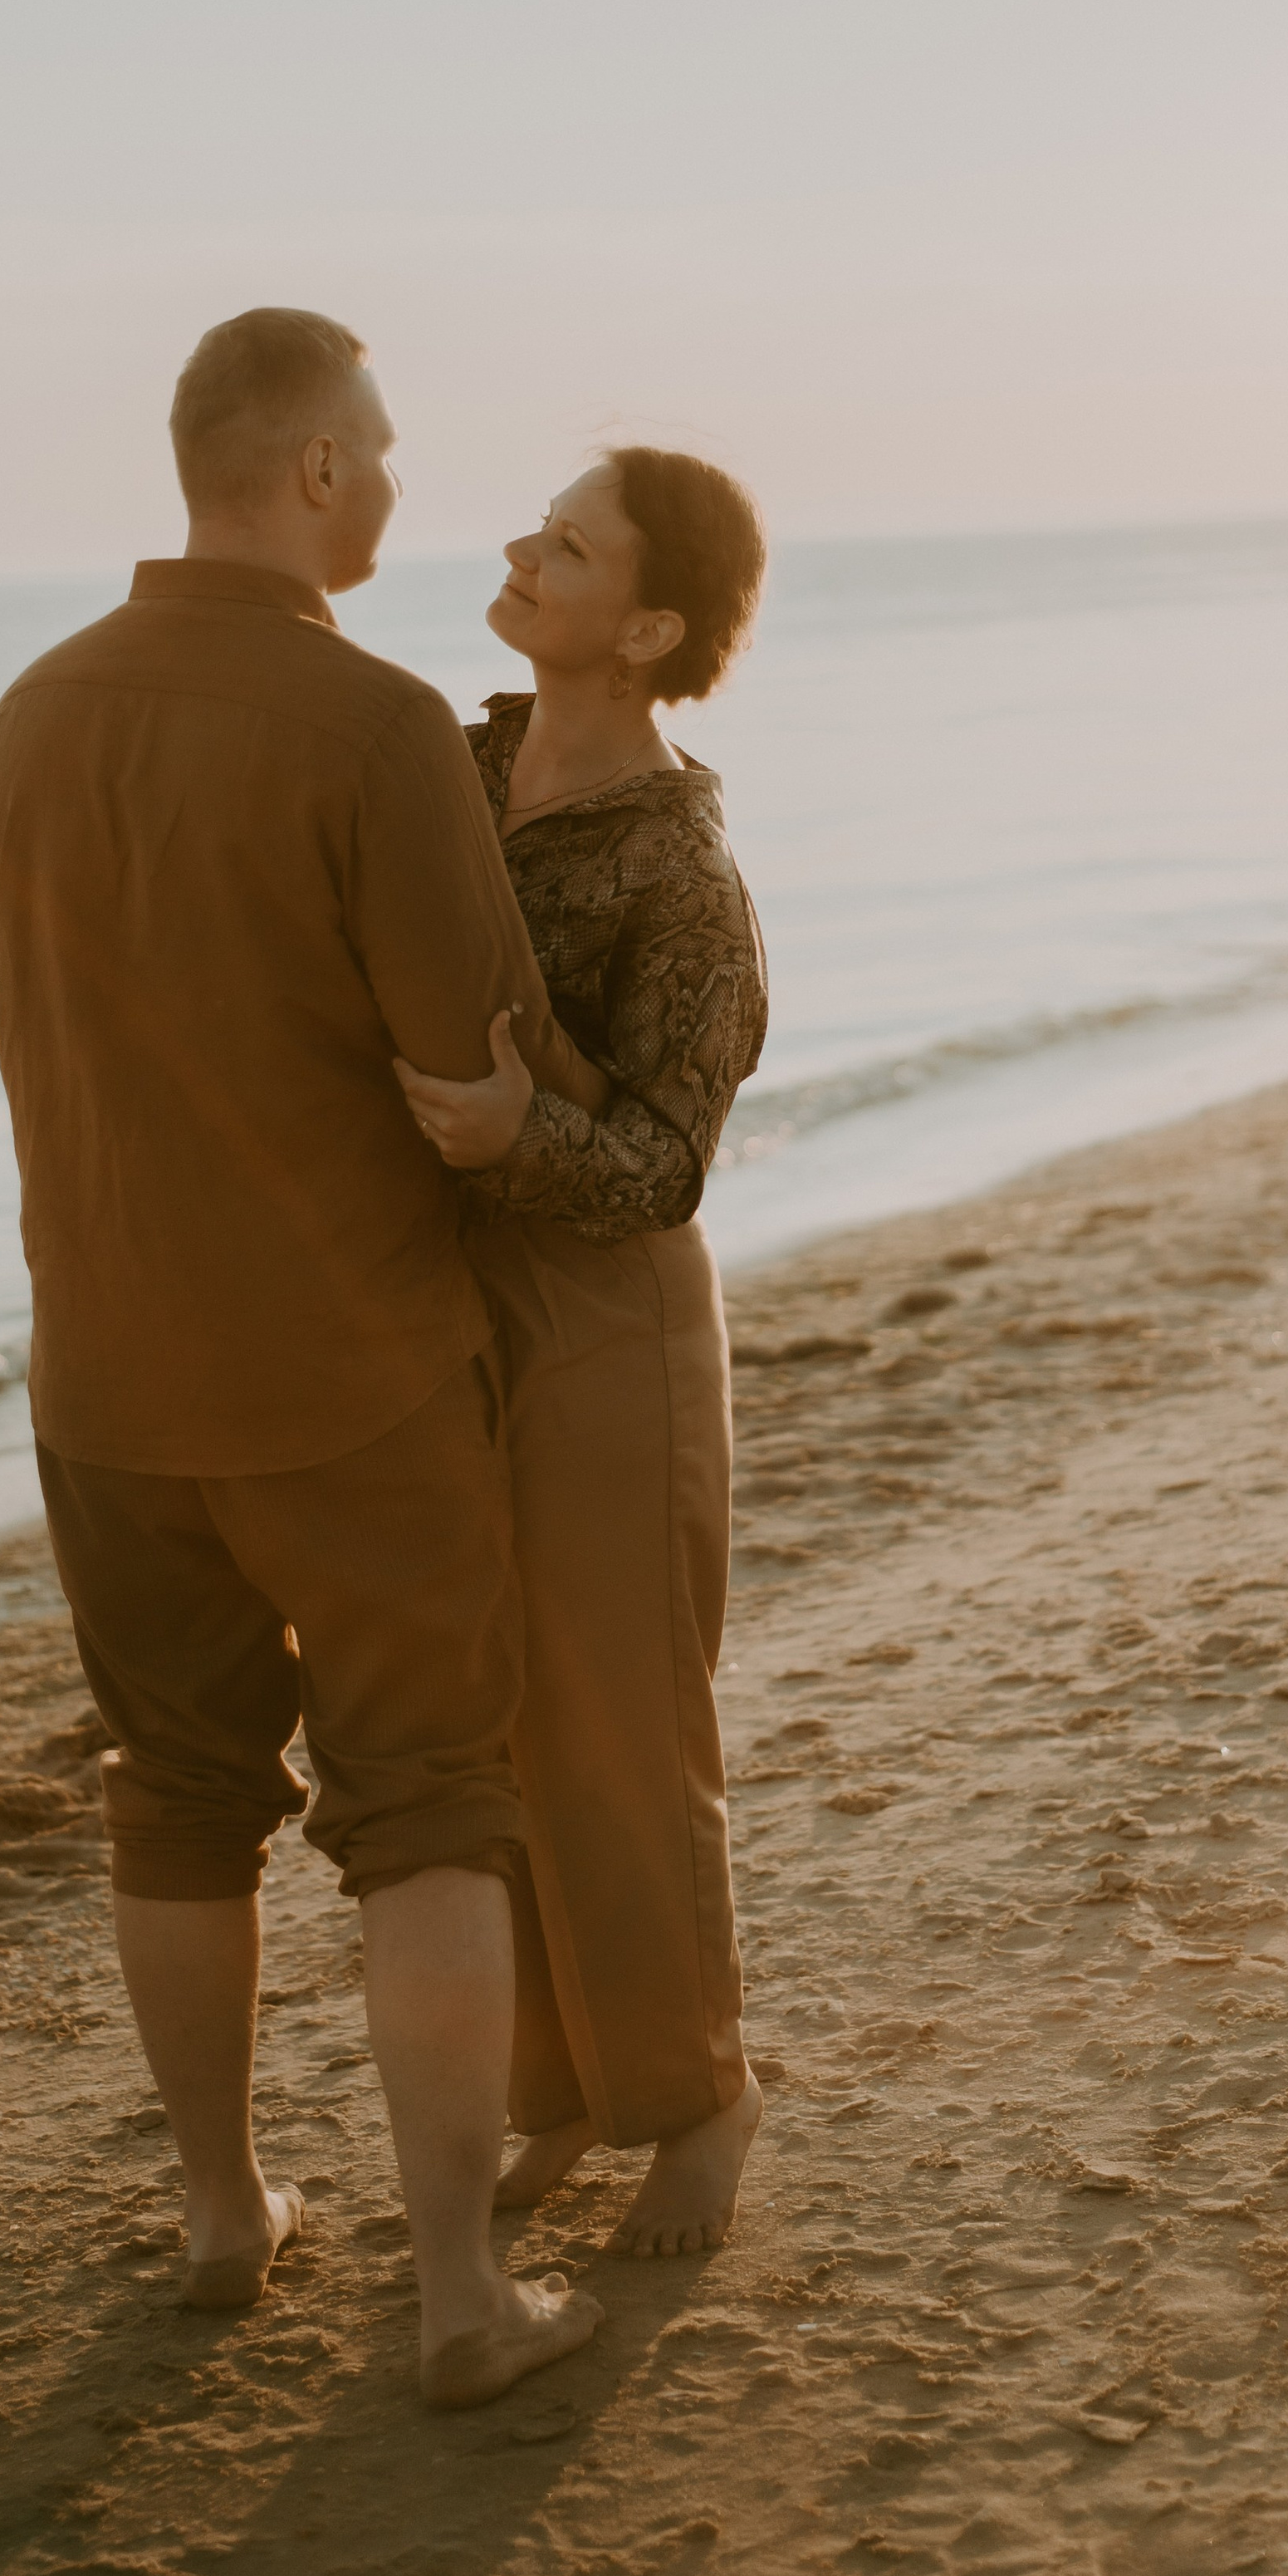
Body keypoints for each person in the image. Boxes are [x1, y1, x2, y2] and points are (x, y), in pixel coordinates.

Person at [0, 307, 606, 2409]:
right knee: (425, 1806)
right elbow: (467, 1068)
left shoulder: (27, 720)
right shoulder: (373, 725)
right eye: (385, 454)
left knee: (178, 1800)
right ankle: (452, 2296)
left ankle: (227, 2218)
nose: (402, 490)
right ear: (312, 467)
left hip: (102, 1378)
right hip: (349, 1366)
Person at [393, 446, 769, 2258]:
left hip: (613, 1319)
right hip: (455, 1305)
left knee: (625, 1730)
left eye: (567, 544)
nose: (521, 555)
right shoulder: (460, 770)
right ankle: (561, 2094)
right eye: (533, 530)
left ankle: (699, 2099)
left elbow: (669, 1163)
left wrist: (503, 1141)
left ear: (647, 625)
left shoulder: (686, 868)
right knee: (506, 1724)